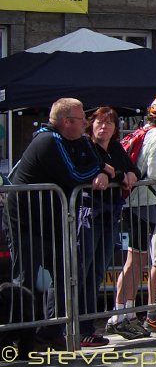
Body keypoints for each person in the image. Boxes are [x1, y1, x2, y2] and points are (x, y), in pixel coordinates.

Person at [8, 98, 107, 350]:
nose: (86, 124)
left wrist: (100, 167)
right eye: (81, 120)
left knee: (66, 275)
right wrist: (99, 169)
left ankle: (50, 331)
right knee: (26, 280)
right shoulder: (48, 140)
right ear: (66, 122)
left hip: (53, 220)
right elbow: (75, 174)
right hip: (28, 221)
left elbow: (96, 158)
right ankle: (22, 338)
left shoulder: (77, 140)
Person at [110, 93, 156, 335]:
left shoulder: (145, 131)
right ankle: (122, 315)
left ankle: (124, 313)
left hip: (135, 200)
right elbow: (154, 172)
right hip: (145, 201)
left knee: (135, 259)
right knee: (137, 260)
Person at [79, 107, 139, 347]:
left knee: (96, 273)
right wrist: (116, 174)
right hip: (89, 215)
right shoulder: (85, 145)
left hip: (110, 214)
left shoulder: (114, 147)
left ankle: (88, 328)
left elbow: (132, 169)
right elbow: (91, 172)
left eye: (109, 124)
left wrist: (130, 174)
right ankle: (76, 328)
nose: (104, 127)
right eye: (100, 123)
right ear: (91, 124)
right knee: (82, 273)